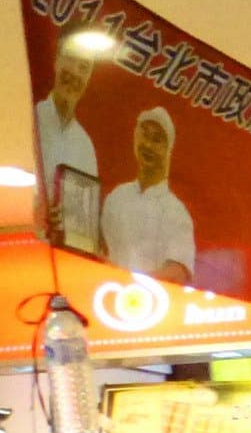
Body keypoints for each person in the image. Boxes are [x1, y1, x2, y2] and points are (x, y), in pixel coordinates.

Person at [100, 106, 195, 283]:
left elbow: (177, 272)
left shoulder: (176, 212)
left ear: (168, 149)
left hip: (150, 298)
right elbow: (98, 250)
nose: (148, 145)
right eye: (145, 135)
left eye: (157, 140)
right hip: (106, 293)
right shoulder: (116, 197)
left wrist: (130, 284)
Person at [35, 24, 100, 233]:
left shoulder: (85, 145)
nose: (74, 72)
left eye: (84, 67)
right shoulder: (33, 121)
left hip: (66, 250)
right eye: (70, 59)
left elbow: (87, 222)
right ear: (56, 61)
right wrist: (39, 214)